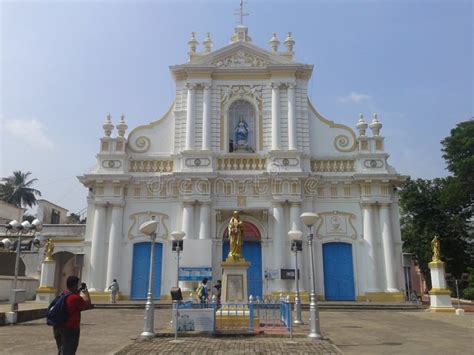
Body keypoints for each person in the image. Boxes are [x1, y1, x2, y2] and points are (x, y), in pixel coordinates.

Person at [53, 276, 92, 355]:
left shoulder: (63, 294)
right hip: (70, 328)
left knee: (61, 350)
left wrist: (78, 291)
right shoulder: (75, 298)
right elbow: (87, 305)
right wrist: (86, 292)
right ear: (75, 285)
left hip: (57, 326)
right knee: (69, 351)